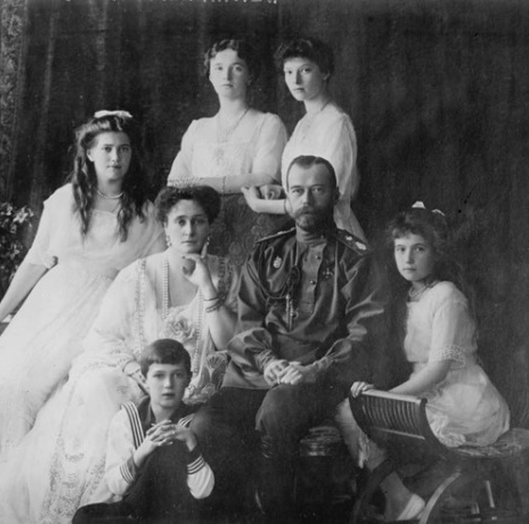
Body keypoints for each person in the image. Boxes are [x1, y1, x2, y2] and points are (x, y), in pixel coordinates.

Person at [0, 185, 237, 524]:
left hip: (197, 386)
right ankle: (100, 508)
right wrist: (131, 369)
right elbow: (102, 338)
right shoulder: (137, 275)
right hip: (140, 379)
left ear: (209, 226)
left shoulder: (224, 272)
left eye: (198, 221)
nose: (189, 230)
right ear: (165, 226)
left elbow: (226, 340)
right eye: (180, 221)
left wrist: (207, 286)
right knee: (100, 391)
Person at [0, 111, 166, 471]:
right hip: (51, 305)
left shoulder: (145, 214)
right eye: (106, 149)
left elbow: (156, 277)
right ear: (88, 152)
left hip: (103, 312)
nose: (115, 158)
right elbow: (36, 261)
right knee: (4, 384)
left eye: (124, 149)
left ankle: (36, 484)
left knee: (53, 397)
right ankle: (4, 479)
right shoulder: (65, 201)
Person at [190, 155, 384, 521]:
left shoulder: (356, 260)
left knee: (276, 411)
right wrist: (269, 362)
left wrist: (314, 370)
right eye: (298, 190)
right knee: (205, 425)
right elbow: (247, 324)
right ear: (288, 197)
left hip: (321, 379)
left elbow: (365, 334)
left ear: (335, 194)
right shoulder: (267, 253)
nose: (307, 200)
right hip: (258, 373)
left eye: (317, 190)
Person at [338, 202, 511, 521]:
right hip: (426, 395)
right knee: (351, 410)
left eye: (419, 248)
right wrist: (374, 390)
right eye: (400, 249)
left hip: (463, 400)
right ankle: (400, 497)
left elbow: (437, 370)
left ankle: (404, 500)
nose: (408, 258)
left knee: (359, 412)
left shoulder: (446, 295)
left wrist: (387, 398)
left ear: (436, 252)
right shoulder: (406, 297)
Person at [168, 38, 288, 266]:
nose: (226, 76)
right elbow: (174, 181)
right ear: (210, 75)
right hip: (198, 230)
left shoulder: (268, 123)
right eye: (219, 68)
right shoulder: (197, 128)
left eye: (237, 68)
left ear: (250, 75)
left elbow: (264, 177)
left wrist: (200, 182)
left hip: (247, 231)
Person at [72, 339, 214, 524]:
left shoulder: (195, 421)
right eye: (159, 376)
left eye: (177, 375)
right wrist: (143, 450)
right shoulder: (128, 418)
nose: (168, 384)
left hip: (178, 514)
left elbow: (203, 491)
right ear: (145, 379)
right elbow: (117, 486)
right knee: (85, 517)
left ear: (188, 378)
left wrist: (190, 441)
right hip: (137, 511)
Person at [242, 36, 365, 240]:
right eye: (289, 72)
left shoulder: (336, 123)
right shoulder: (303, 123)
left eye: (305, 70)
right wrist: (280, 190)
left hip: (330, 232)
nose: (295, 80)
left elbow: (324, 198)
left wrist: (260, 205)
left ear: (325, 72)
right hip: (303, 229)